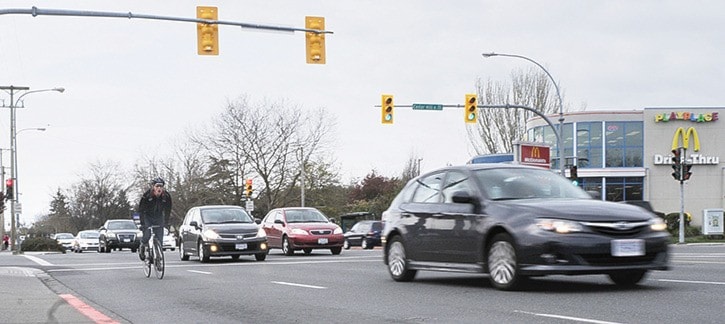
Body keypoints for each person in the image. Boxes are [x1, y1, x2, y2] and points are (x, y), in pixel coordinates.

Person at [137, 177, 172, 261]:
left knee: (159, 238)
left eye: (161, 186)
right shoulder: (146, 196)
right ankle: (142, 245)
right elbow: (141, 210)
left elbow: (168, 211)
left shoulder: (166, 196)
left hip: (158, 216)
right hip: (147, 216)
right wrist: (143, 224)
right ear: (153, 187)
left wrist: (166, 223)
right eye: (157, 186)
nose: (159, 188)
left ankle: (157, 258)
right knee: (147, 234)